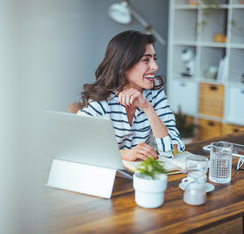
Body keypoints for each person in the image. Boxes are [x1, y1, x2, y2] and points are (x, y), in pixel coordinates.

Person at [77, 30, 185, 161]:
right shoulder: (102, 99)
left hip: (139, 175)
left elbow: (173, 150)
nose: (155, 66)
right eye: (146, 60)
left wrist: (148, 108)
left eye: (154, 59)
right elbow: (78, 147)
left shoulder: (154, 92)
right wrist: (125, 154)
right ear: (124, 64)